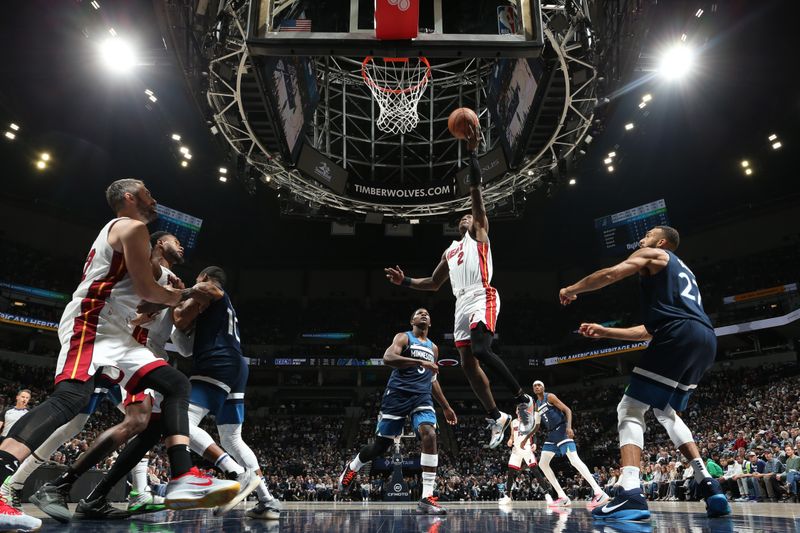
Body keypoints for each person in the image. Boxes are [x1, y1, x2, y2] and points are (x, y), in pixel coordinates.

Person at [0, 179, 238, 532]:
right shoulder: (131, 226)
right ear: (128, 197)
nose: (154, 198)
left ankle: (183, 475)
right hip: (92, 321)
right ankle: (10, 483)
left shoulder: (145, 249)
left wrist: (167, 297)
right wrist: (183, 293)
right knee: (71, 401)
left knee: (175, 385)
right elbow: (148, 290)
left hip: (122, 336)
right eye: (147, 192)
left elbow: (150, 294)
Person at [563, 225, 730, 520]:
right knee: (667, 412)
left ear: (662, 241)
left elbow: (612, 274)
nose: (643, 238)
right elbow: (647, 331)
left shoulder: (655, 254)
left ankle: (630, 492)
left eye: (649, 233)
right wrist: (605, 331)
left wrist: (572, 289)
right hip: (705, 338)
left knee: (629, 408)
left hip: (679, 334)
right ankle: (709, 484)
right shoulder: (681, 273)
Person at [384, 125, 533, 449]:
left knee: (481, 349)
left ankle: (522, 400)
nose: (468, 217)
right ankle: (497, 416)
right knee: (467, 363)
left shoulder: (479, 233)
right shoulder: (450, 250)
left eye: (471, 215)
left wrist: (473, 152)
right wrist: (406, 280)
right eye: (464, 217)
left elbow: (476, 191)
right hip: (459, 303)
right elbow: (433, 283)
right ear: (457, 224)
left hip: (482, 293)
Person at [29, 231, 185, 521]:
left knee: (144, 424)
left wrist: (179, 300)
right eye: (177, 241)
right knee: (83, 415)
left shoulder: (169, 280)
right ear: (160, 244)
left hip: (141, 354)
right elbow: (141, 312)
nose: (183, 246)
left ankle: (91, 495)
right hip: (127, 351)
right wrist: (180, 296)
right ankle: (43, 484)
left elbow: (178, 338)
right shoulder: (152, 270)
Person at [172, 266, 282, 520]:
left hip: (216, 363)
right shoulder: (214, 314)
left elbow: (209, 289)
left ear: (206, 278)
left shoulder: (215, 292)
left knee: (180, 421)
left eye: (197, 280)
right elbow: (185, 347)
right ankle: (267, 502)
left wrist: (179, 293)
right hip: (234, 366)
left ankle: (237, 474)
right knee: (232, 439)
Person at [337, 308, 457, 515]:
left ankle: (426, 498)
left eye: (427, 313)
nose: (424, 314)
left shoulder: (434, 348)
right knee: (379, 447)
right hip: (397, 395)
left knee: (429, 433)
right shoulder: (403, 337)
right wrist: (420, 361)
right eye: (419, 313)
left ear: (430, 323)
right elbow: (388, 357)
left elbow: (433, 379)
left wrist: (446, 407)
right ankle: (353, 467)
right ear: (412, 320)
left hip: (422, 397)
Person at [525, 381, 609, 510]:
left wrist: (569, 427)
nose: (537, 387)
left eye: (539, 385)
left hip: (562, 429)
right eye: (535, 386)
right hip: (552, 435)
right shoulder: (537, 405)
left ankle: (599, 492)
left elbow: (567, 410)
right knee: (542, 464)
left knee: (574, 460)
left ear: (543, 387)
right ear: (533, 389)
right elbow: (536, 426)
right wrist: (527, 438)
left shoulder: (550, 397)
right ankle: (563, 496)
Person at [498, 414, 554, 506]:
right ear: (516, 411)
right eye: (518, 409)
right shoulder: (513, 422)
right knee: (511, 473)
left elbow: (533, 434)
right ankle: (508, 496)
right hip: (516, 449)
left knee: (535, 471)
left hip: (526, 448)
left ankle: (547, 494)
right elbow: (512, 435)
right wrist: (510, 440)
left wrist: (535, 443)